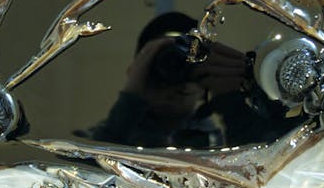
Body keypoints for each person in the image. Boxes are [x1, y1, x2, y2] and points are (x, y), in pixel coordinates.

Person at [89, 12, 304, 148]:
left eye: (189, 62)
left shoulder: (218, 141)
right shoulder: (108, 138)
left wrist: (233, 100)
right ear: (137, 73)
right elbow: (90, 170)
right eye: (161, 64)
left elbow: (268, 165)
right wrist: (131, 100)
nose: (176, 75)